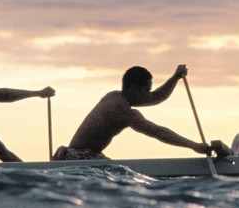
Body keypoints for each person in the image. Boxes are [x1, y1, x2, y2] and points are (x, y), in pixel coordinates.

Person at [53, 64, 211, 160]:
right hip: (78, 157)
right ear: (135, 88)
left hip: (73, 155)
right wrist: (194, 146)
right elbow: (158, 132)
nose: (149, 94)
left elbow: (156, 97)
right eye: (146, 90)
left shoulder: (114, 96)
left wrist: (175, 78)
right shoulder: (122, 111)